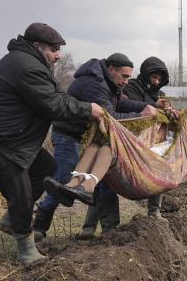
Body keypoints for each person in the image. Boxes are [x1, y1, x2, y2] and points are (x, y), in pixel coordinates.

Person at [0, 22, 104, 265]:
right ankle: (26, 248)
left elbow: (54, 97)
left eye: (59, 49)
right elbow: (52, 105)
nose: (58, 55)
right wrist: (87, 109)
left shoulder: (33, 64)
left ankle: (10, 220)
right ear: (38, 46)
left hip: (12, 134)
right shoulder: (27, 66)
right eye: (54, 49)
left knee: (46, 169)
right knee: (20, 187)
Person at [31, 53, 157, 240]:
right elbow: (110, 118)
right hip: (70, 135)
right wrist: (141, 116)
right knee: (63, 179)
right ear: (111, 70)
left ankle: (109, 229)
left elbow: (123, 102)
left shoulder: (109, 84)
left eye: (129, 77)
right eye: (124, 76)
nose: (126, 81)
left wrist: (148, 106)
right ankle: (38, 226)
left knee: (102, 180)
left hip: (88, 137)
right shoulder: (96, 85)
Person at [123, 57, 177, 219]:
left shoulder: (160, 94)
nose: (156, 81)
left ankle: (154, 212)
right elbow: (130, 105)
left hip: (152, 140)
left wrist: (169, 111)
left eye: (160, 79)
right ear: (146, 75)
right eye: (154, 77)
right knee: (109, 181)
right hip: (127, 139)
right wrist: (155, 104)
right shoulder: (131, 86)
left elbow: (162, 115)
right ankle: (93, 226)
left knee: (159, 169)